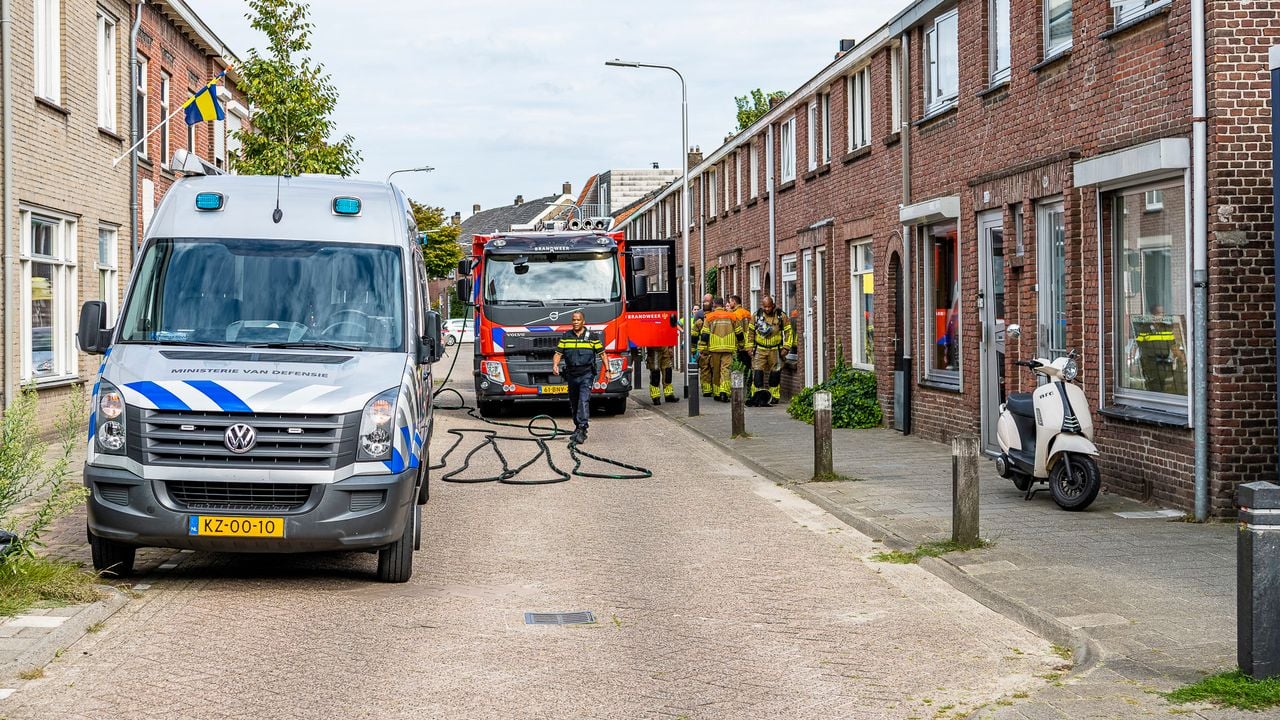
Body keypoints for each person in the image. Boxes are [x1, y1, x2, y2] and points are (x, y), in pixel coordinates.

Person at [551, 311, 605, 444]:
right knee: (574, 402)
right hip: (571, 374)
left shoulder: (592, 337)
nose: (575, 322)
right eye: (573, 320)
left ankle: (582, 428)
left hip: (586, 374)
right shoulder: (566, 336)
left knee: (583, 400)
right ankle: (577, 426)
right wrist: (555, 365)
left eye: (578, 320)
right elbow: (558, 353)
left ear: (583, 322)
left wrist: (608, 370)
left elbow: (602, 354)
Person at [746, 295, 796, 406]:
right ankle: (757, 396)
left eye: (769, 306)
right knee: (758, 373)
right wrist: (749, 348)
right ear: (762, 306)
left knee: (775, 374)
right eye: (765, 307)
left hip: (775, 350)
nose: (767, 309)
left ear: (773, 305)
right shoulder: (756, 316)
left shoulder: (781, 316)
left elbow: (789, 332)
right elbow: (750, 333)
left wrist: (787, 347)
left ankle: (774, 396)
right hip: (760, 349)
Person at [698, 297, 742, 402]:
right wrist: (741, 344)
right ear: (722, 305)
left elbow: (704, 335)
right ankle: (724, 392)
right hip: (728, 347)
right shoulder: (732, 316)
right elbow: (739, 332)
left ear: (714, 305)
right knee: (726, 370)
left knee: (716, 371)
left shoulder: (709, 317)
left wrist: (702, 348)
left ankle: (717, 393)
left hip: (714, 348)